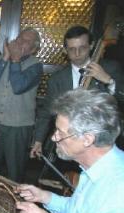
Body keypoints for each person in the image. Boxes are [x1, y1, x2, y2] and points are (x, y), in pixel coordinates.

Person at [13, 89, 124, 213]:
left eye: (60, 133)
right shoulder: (96, 167)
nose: (54, 138)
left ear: (87, 139)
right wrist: (44, 197)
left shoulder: (118, 189)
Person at [31, 25, 124, 158]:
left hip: (101, 146)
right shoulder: (56, 79)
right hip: (68, 145)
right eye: (72, 49)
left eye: (83, 47)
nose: (77, 53)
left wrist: (109, 81)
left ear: (91, 46)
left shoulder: (110, 68)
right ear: (65, 50)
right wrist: (38, 140)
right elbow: (47, 111)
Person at [0, 28, 43, 182]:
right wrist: (4, 58)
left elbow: (19, 86)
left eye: (26, 41)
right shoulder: (3, 59)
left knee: (14, 170)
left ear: (34, 49)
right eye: (19, 38)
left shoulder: (36, 66)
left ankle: (14, 202)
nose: (20, 42)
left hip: (19, 126)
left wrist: (14, 60)